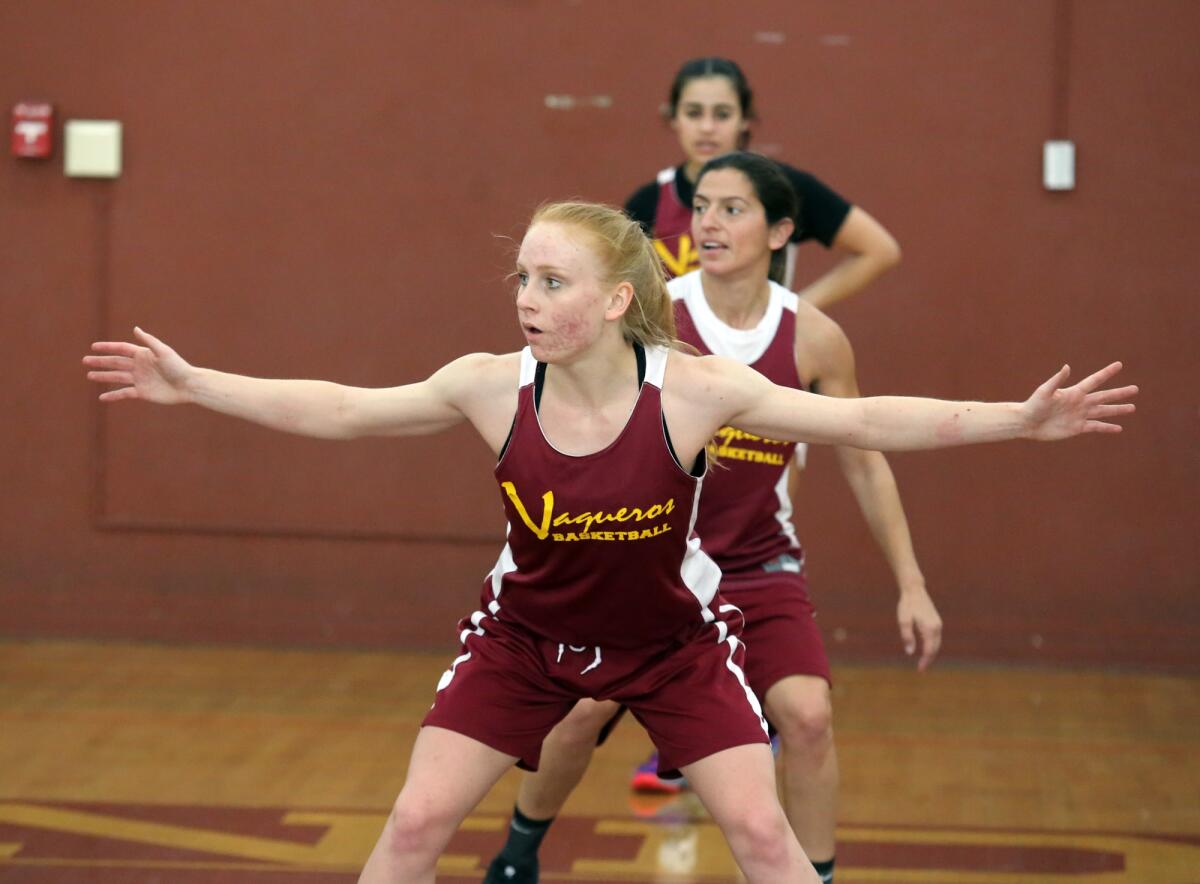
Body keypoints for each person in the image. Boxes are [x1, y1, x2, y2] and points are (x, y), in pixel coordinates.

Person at [84, 201, 1135, 884]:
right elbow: (347, 407)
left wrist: (1018, 417)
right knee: (411, 823)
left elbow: (861, 423)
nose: (527, 299)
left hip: (672, 646)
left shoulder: (696, 394)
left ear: (615, 300)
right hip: (523, 641)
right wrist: (194, 384)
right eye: (524, 279)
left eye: (551, 282)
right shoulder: (491, 384)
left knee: (766, 839)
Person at [483, 154, 937, 884]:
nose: (709, 225)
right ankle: (518, 851)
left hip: (758, 566)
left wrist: (910, 580)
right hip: (653, 566)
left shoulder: (813, 337)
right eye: (701, 208)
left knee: (810, 717)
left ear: (782, 230)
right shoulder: (652, 318)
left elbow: (863, 454)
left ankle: (812, 876)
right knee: (579, 714)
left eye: (733, 209)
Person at [624, 56, 900, 307]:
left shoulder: (782, 187)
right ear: (674, 118)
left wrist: (795, 312)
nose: (707, 127)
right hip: (678, 358)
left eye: (722, 114)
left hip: (757, 361)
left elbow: (879, 250)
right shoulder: (648, 202)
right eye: (694, 113)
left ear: (744, 120)